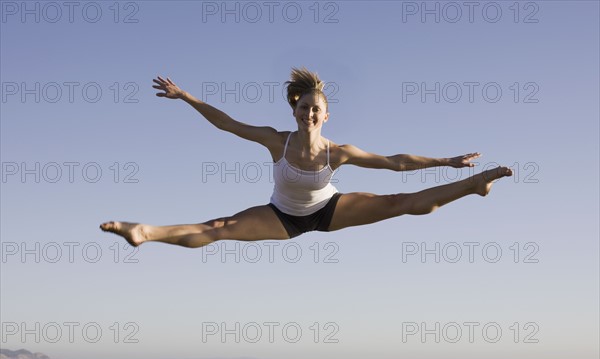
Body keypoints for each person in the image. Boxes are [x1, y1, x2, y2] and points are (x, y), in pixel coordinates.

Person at [100, 67, 512, 248]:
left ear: (325, 115)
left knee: (399, 204)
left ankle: (474, 184)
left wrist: (447, 161)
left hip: (329, 208)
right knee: (219, 228)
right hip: (281, 215)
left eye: (317, 109)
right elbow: (226, 123)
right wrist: (184, 96)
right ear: (295, 110)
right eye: (303, 108)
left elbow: (395, 162)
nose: (309, 113)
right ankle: (144, 233)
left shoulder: (339, 153)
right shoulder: (275, 141)